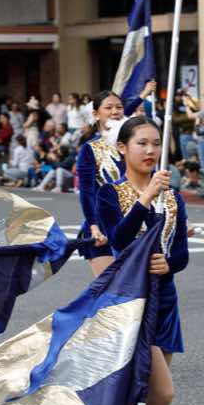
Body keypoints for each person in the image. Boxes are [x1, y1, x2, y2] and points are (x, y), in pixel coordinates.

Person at [96, 117, 188, 405]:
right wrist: (146, 197)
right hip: (133, 303)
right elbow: (119, 239)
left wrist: (169, 263)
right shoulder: (109, 194)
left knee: (148, 397)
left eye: (155, 143)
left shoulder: (173, 197)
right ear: (123, 148)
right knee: (164, 392)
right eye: (142, 143)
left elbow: (180, 253)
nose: (151, 150)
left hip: (165, 303)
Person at [75, 91, 126, 277]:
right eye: (109, 107)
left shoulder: (135, 145)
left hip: (135, 223)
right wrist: (94, 226)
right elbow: (87, 193)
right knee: (110, 288)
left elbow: (154, 182)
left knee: (138, 289)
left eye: (119, 107)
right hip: (102, 226)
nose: (115, 111)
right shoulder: (90, 149)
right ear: (96, 114)